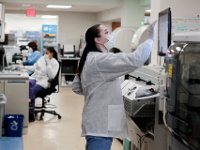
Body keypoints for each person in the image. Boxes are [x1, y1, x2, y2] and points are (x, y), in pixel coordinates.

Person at [72, 22, 156, 150]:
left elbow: (77, 87)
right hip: (100, 127)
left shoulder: (90, 58)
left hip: (97, 124)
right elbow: (135, 60)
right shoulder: (100, 60)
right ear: (97, 39)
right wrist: (150, 39)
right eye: (106, 32)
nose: (111, 35)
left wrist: (96, 90)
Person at [28, 47, 59, 121]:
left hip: (44, 81)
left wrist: (48, 63)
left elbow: (51, 76)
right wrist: (23, 67)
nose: (45, 55)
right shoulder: (42, 59)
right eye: (45, 53)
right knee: (26, 84)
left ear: (52, 53)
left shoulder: (55, 63)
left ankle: (30, 112)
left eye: (47, 53)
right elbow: (34, 68)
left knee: (33, 89)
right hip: (35, 78)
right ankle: (28, 107)